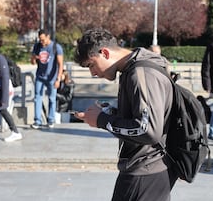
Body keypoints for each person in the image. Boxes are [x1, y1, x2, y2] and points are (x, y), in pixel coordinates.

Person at [73, 28, 178, 201]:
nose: (93, 73)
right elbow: (142, 118)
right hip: (146, 169)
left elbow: (148, 130)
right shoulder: (132, 70)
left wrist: (102, 120)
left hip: (145, 172)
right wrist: (109, 113)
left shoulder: (140, 73)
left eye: (91, 65)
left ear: (105, 53)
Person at [30, 29, 64, 129]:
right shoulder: (37, 46)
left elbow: (60, 64)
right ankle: (37, 120)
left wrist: (58, 79)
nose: (42, 42)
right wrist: (34, 58)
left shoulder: (55, 47)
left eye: (43, 39)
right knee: (37, 97)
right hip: (40, 76)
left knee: (52, 98)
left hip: (52, 77)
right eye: (40, 39)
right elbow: (32, 62)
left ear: (48, 37)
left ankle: (50, 120)